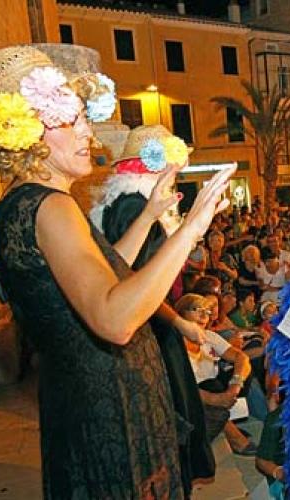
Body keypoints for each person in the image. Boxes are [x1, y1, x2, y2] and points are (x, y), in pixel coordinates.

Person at [0, 45, 233, 497]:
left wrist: (149, 215)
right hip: (108, 402)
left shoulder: (25, 201)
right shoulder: (51, 207)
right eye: (70, 120)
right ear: (28, 131)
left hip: (82, 396)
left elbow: (105, 273)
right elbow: (114, 319)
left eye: (84, 118)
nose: (89, 134)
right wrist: (191, 229)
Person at [91, 124, 220, 489]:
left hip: (149, 322)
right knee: (170, 416)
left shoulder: (127, 201)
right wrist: (180, 323)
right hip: (151, 330)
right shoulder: (135, 207)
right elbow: (139, 283)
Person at [174, 294, 255, 455]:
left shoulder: (209, 336)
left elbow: (241, 357)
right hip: (188, 393)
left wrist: (234, 387)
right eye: (197, 309)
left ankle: (225, 421)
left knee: (244, 370)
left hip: (215, 388)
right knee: (210, 385)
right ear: (181, 314)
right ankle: (234, 436)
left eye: (207, 312)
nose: (204, 316)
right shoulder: (172, 343)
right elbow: (177, 384)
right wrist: (215, 399)